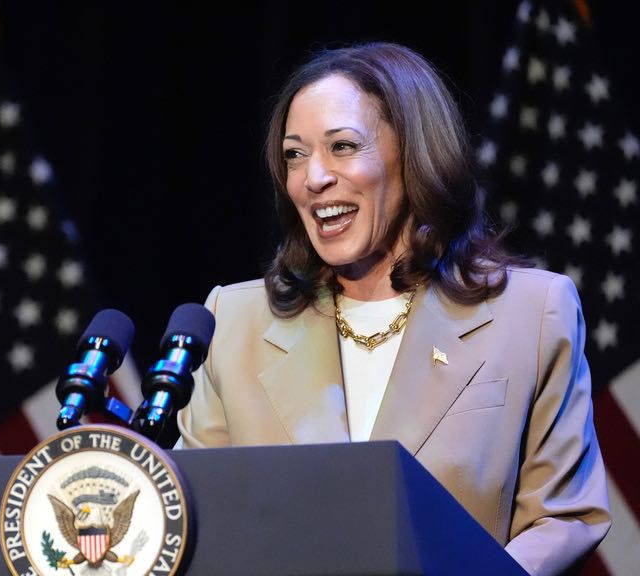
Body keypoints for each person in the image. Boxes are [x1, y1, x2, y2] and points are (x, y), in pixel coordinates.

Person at [176, 42, 610, 575]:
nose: (313, 179)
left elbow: (564, 516)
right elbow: (193, 512)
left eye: (342, 146)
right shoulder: (234, 322)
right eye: (294, 154)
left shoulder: (532, 312)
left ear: (414, 155)